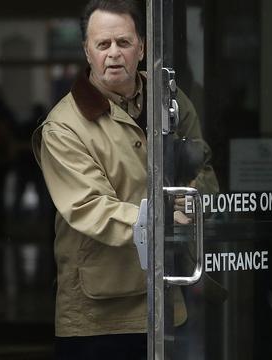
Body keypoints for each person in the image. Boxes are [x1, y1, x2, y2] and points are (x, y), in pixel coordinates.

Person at [31, 0, 218, 359]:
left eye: (124, 42)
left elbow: (204, 169)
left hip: (169, 298)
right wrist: (163, 216)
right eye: (103, 45)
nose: (114, 54)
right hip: (98, 315)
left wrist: (193, 197)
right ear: (87, 51)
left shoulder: (170, 99)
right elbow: (89, 207)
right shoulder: (63, 126)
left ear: (142, 47)